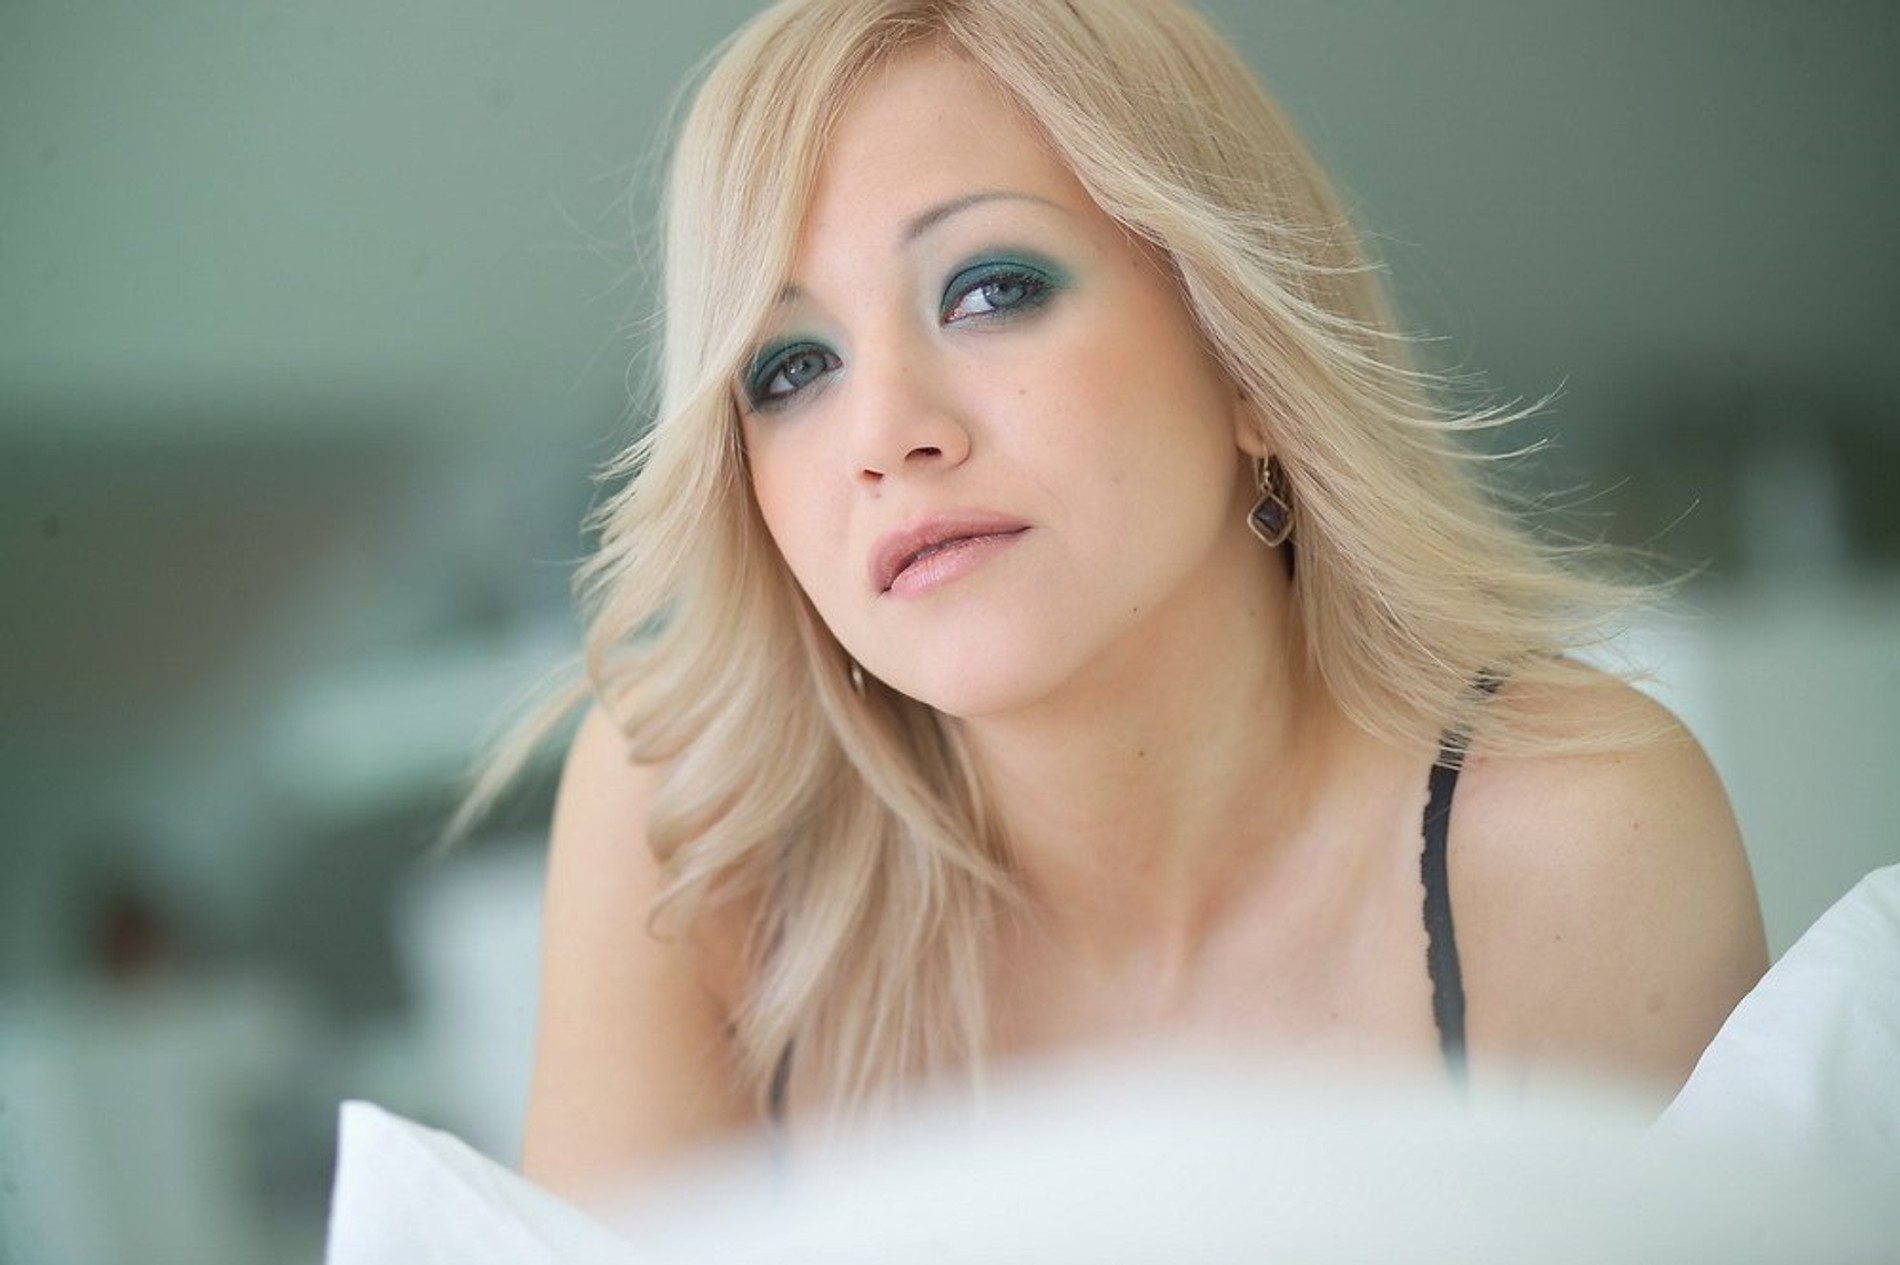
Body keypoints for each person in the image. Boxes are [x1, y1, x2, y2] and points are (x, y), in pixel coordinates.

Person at [490, 0, 1768, 1200]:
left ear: (1244, 360)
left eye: (990, 290)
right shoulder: (697, 822)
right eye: (790, 366)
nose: (883, 434)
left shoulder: (1567, 833)